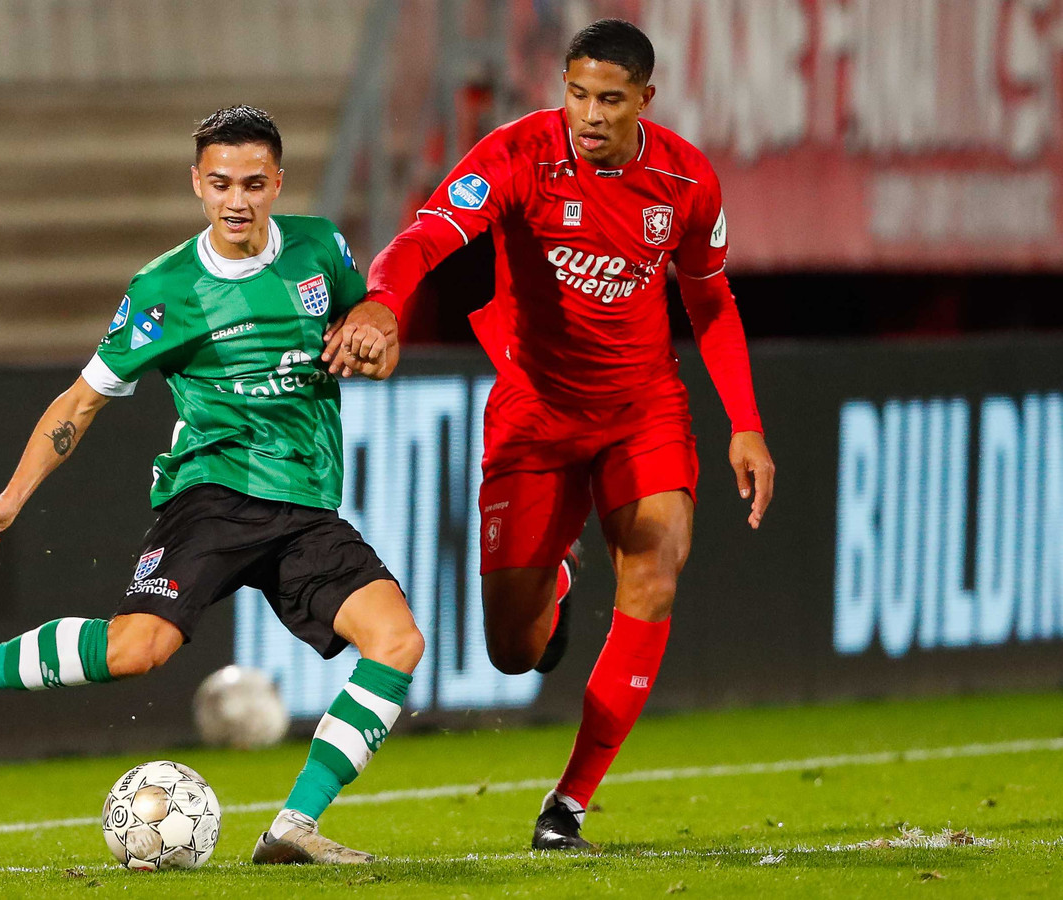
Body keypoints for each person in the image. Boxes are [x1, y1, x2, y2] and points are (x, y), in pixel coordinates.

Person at [0, 105, 423, 866]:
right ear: (196, 183)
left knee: (396, 640)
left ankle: (292, 828)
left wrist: (377, 336)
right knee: (137, 650)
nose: (237, 201)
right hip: (213, 496)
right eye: (220, 183)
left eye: (254, 184)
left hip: (307, 507)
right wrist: (10, 497)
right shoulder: (166, 289)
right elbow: (81, 401)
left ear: (278, 182)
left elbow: (370, 319)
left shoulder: (321, 250)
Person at [324, 19, 776, 850]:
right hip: (534, 414)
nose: (590, 114)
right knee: (513, 650)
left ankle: (567, 804)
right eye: (576, 94)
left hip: (642, 408)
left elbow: (710, 301)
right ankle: (556, 585)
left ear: (646, 98)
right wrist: (384, 304)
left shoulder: (685, 179)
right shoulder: (517, 154)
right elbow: (425, 234)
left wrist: (745, 424)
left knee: (657, 559)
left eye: (609, 99)